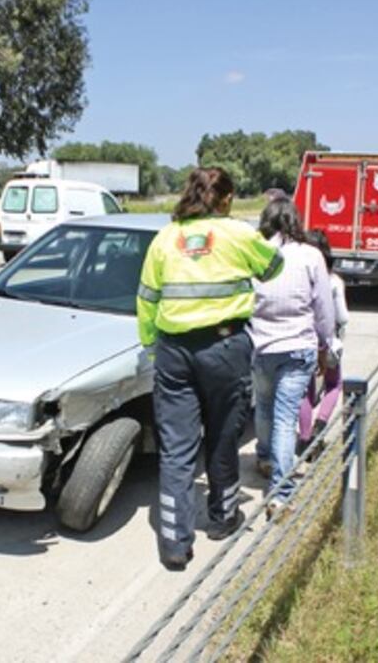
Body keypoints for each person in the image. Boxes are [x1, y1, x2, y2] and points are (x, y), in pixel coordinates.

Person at [137, 167, 284, 571]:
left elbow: (147, 299)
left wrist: (153, 348)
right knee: (222, 437)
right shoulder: (237, 233)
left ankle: (174, 544)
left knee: (177, 449)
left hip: (173, 352)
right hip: (224, 347)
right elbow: (274, 267)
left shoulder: (165, 238)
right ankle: (222, 519)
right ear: (225, 198)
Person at [248, 200, 335, 520]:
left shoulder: (255, 253)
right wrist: (326, 343)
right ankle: (281, 494)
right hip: (298, 346)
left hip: (261, 345)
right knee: (286, 418)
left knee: (265, 407)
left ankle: (265, 457)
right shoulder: (311, 255)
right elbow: (323, 307)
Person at [298, 230, 348, 458]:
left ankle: (305, 437)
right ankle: (321, 423)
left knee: (305, 392)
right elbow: (342, 316)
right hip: (327, 340)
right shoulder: (334, 281)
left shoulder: (299, 277)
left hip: (302, 338)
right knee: (334, 384)